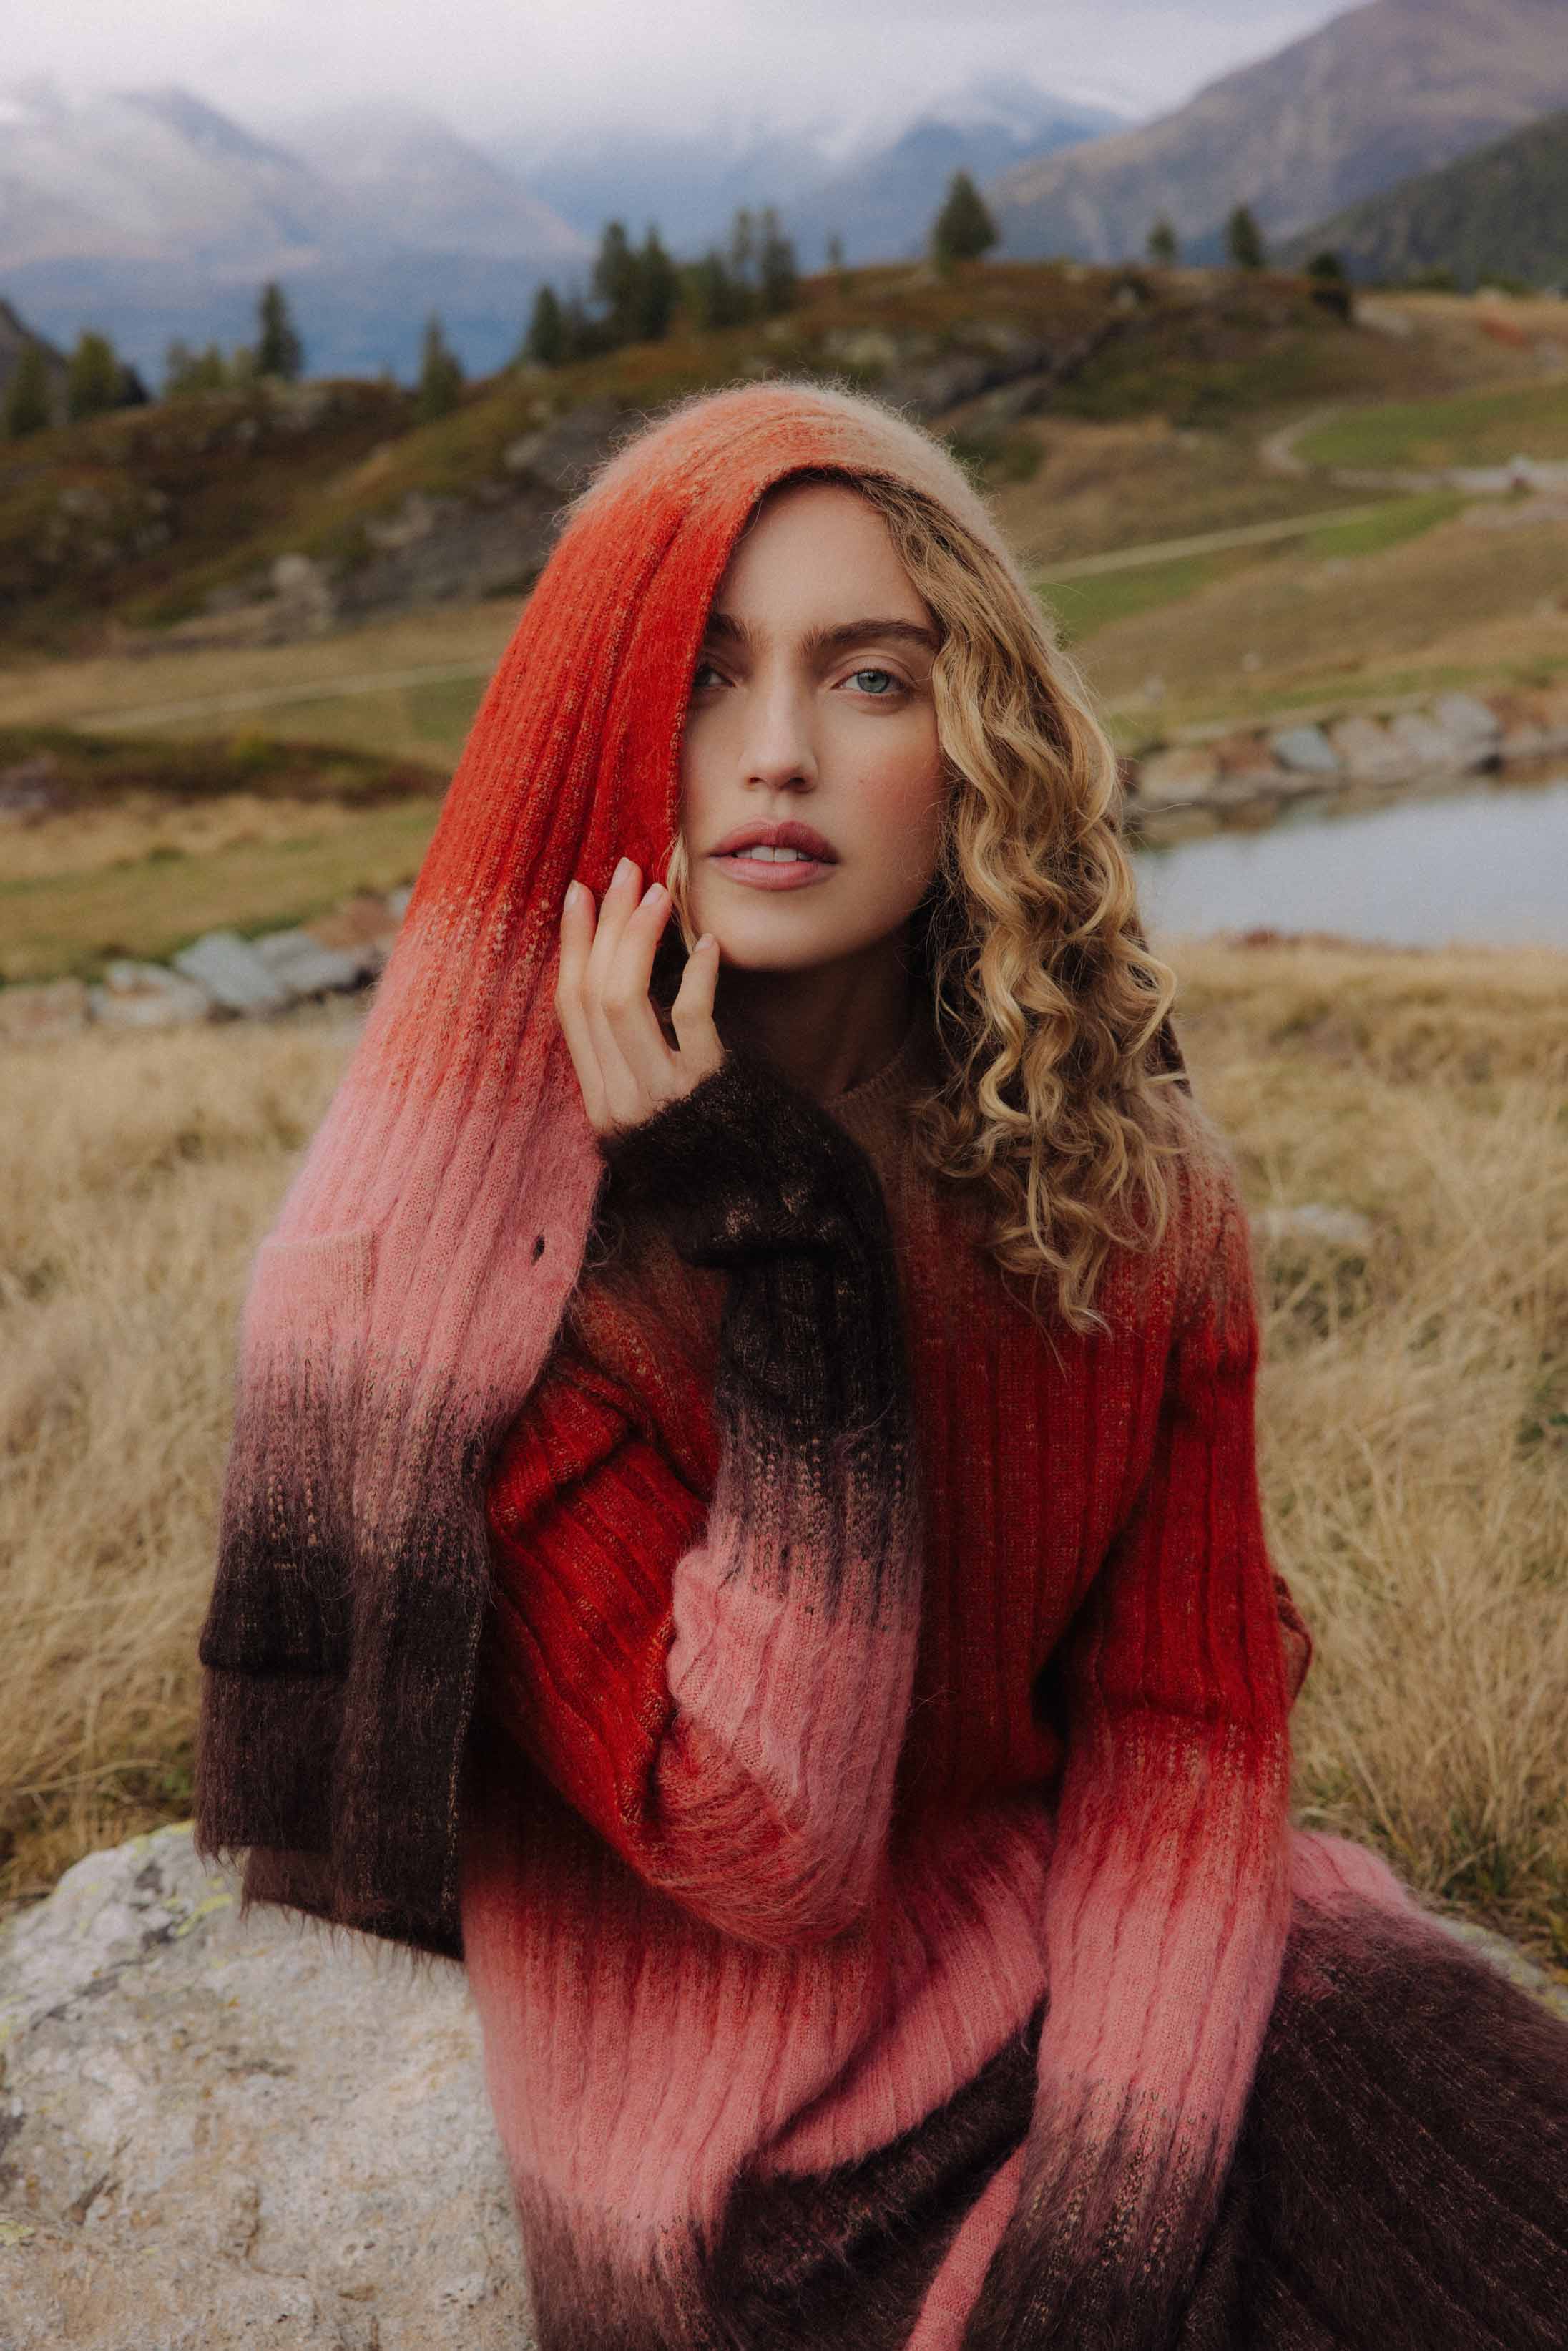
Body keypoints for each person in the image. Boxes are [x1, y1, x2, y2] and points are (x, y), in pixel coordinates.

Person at [192, 381, 1568, 2350]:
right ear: (602, 740)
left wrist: (1117, 2203)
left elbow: (1186, 1731)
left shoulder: (1125, 1179)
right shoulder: (474, 1293)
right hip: (751, 2115)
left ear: (977, 732)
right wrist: (785, 1251)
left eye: (869, 678)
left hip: (1138, 1961)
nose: (775, 758)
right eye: (702, 678)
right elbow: (768, 1849)